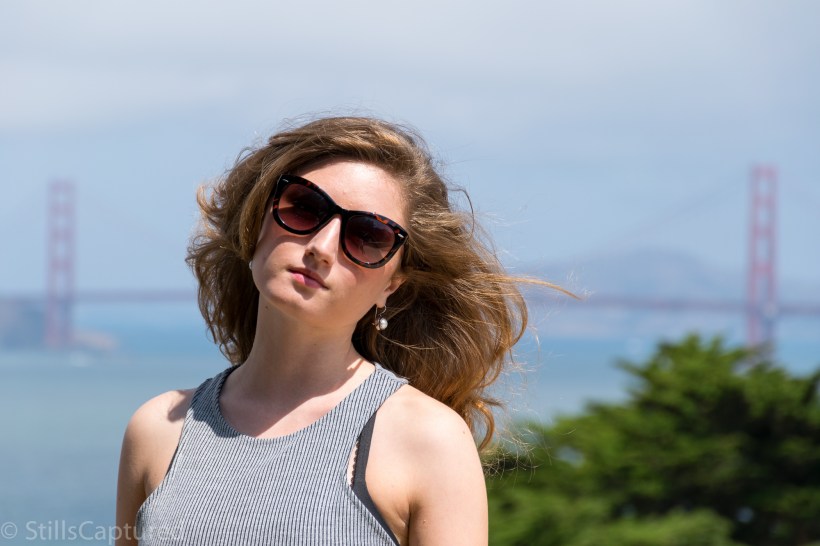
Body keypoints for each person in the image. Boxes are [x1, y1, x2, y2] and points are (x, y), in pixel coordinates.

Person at [116, 116, 558, 545]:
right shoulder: (159, 429)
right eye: (304, 207)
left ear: (392, 284)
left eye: (368, 236)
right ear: (256, 220)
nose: (322, 248)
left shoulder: (428, 441)